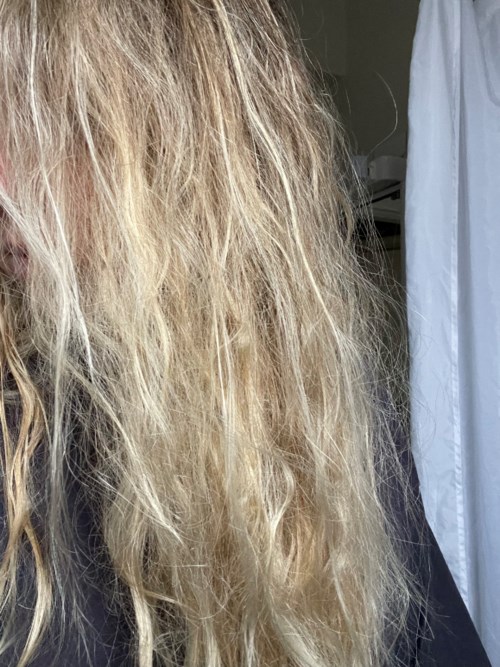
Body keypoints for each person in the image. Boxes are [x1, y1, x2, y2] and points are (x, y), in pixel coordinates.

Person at [0, 1, 492, 666]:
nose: (7, 182)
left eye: (52, 121)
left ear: (178, 145)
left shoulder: (318, 409)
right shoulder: (23, 425)